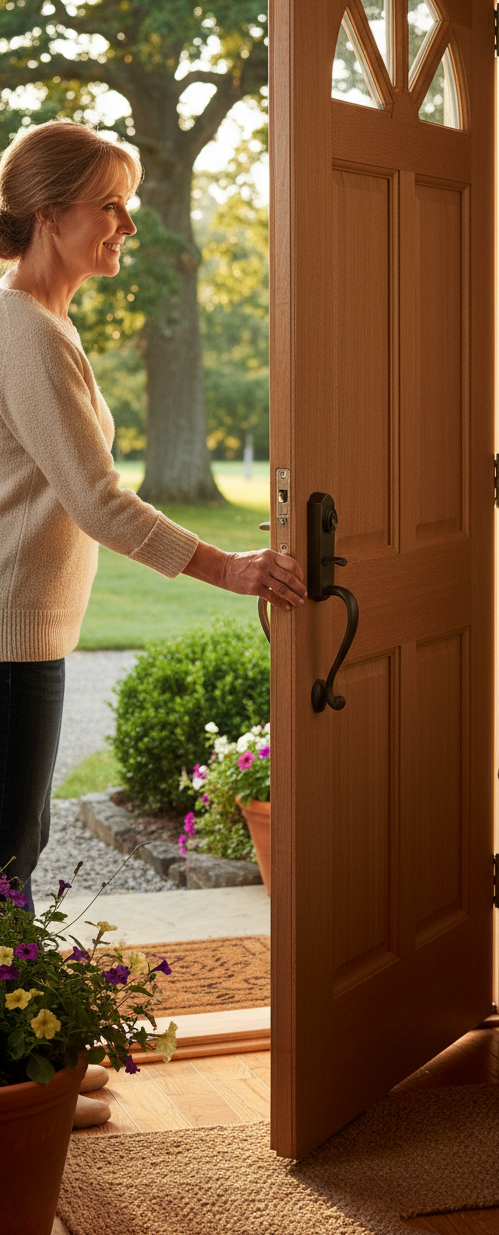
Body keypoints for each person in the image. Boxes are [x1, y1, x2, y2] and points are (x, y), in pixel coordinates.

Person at [0, 119, 305, 1124]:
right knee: (8, 858)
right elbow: (97, 500)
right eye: (110, 203)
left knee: (17, 850)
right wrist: (233, 566)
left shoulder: (41, 321)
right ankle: (17, 1089)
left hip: (22, 634)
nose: (127, 223)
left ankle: (32, 1060)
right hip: (8, 640)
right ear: (51, 215)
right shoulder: (27, 331)